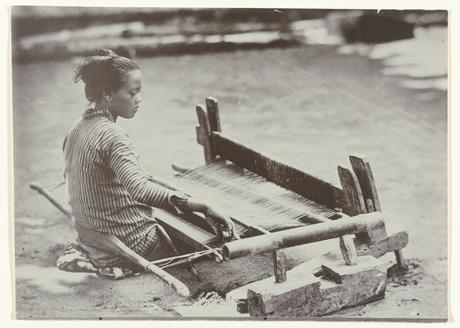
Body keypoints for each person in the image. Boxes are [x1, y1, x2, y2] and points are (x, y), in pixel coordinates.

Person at [63, 48, 237, 271]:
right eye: (132, 93)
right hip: (131, 245)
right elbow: (140, 191)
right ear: (107, 94)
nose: (139, 99)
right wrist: (203, 205)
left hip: (97, 241)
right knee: (218, 253)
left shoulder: (77, 128)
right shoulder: (112, 135)